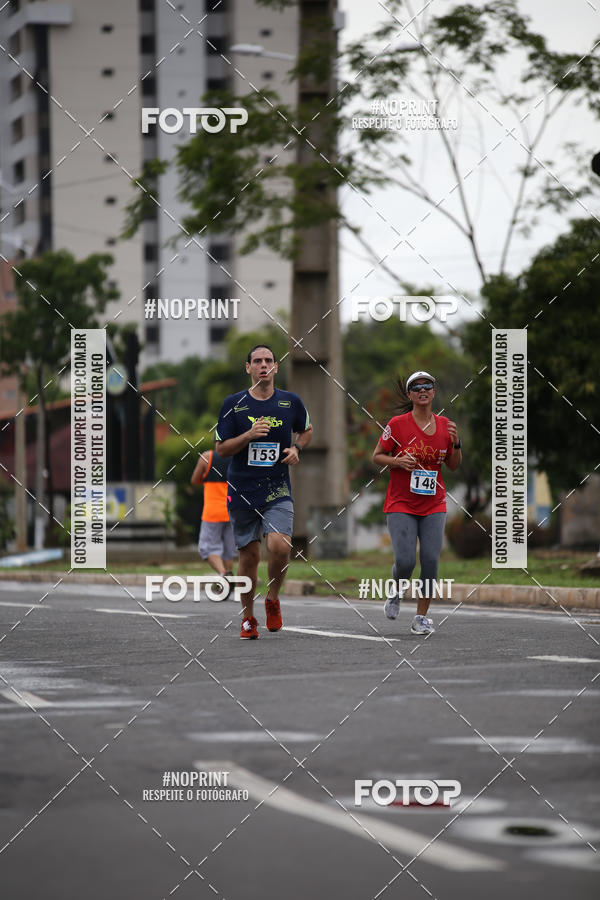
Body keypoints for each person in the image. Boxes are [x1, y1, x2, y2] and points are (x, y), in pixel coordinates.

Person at [215, 344, 313, 639]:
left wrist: (297, 448)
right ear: (248, 368)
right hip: (242, 488)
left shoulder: (290, 402)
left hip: (277, 486)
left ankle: (272, 597)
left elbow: (307, 430)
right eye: (257, 361)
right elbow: (221, 448)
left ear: (276, 367)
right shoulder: (234, 404)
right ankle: (247, 618)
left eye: (268, 360)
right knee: (249, 556)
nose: (263, 365)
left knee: (281, 546)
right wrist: (247, 435)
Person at [372, 370, 462, 635]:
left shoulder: (446, 426)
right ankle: (396, 591)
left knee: (431, 560)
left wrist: (456, 444)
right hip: (401, 502)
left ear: (434, 392)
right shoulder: (398, 424)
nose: (423, 390)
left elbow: (454, 466)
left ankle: (421, 618)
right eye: (417, 387)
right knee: (406, 561)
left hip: (434, 502)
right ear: (410, 394)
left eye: (428, 386)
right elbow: (377, 456)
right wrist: (397, 461)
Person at [191, 447, 236, 598]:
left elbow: (194, 480)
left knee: (208, 549)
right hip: (233, 510)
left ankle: (224, 575)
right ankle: (226, 583)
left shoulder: (206, 457)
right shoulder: (237, 457)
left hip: (213, 512)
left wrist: (207, 476)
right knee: (229, 551)